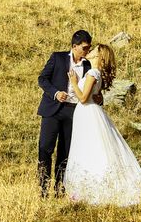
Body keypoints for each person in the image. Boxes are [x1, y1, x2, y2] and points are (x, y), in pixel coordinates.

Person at [63, 44, 141, 206]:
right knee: (94, 147)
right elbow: (93, 96)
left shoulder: (92, 73)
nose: (90, 51)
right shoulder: (95, 73)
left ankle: (92, 189)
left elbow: (83, 98)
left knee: (89, 148)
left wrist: (74, 83)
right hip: (89, 112)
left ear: (99, 56)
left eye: (93, 50)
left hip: (87, 112)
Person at [36, 30, 102, 198]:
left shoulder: (88, 66)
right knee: (45, 148)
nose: (87, 51)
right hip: (52, 109)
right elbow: (42, 79)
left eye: (89, 48)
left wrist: (98, 97)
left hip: (74, 112)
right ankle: (43, 189)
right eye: (84, 48)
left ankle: (60, 189)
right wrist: (56, 93)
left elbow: (90, 90)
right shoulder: (57, 58)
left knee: (65, 152)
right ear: (74, 46)